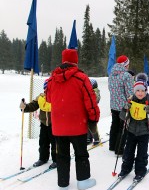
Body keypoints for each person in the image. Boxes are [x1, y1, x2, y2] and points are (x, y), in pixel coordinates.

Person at [46, 49, 100, 190]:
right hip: (78, 125)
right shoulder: (81, 78)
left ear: (62, 60)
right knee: (81, 154)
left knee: (62, 156)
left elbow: (48, 98)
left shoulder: (52, 79)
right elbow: (90, 100)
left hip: (58, 126)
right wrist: (93, 119)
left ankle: (63, 184)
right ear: (75, 61)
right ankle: (83, 181)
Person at [118, 73, 149, 181]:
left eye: (142, 91)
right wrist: (125, 109)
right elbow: (122, 117)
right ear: (134, 91)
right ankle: (126, 168)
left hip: (144, 133)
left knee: (141, 154)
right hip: (131, 131)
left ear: (146, 91)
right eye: (138, 90)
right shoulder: (131, 101)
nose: (140, 93)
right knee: (128, 152)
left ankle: (140, 171)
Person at [19, 79, 56, 169]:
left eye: (48, 89)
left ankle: (57, 160)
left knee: (55, 143)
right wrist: (25, 107)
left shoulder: (56, 97)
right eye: (45, 89)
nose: (46, 91)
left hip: (54, 124)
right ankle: (43, 158)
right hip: (44, 123)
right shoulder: (41, 97)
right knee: (43, 142)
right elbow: (33, 105)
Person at [108, 55, 134, 155]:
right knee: (122, 127)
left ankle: (112, 145)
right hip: (124, 105)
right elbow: (130, 93)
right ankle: (119, 149)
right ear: (126, 64)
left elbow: (111, 89)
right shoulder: (126, 75)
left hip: (113, 104)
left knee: (114, 125)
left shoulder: (112, 74)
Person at [87, 78, 101, 145]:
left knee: (92, 125)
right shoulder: (89, 91)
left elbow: (96, 99)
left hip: (93, 110)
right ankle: (89, 138)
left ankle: (96, 139)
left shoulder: (95, 91)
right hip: (88, 109)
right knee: (87, 124)